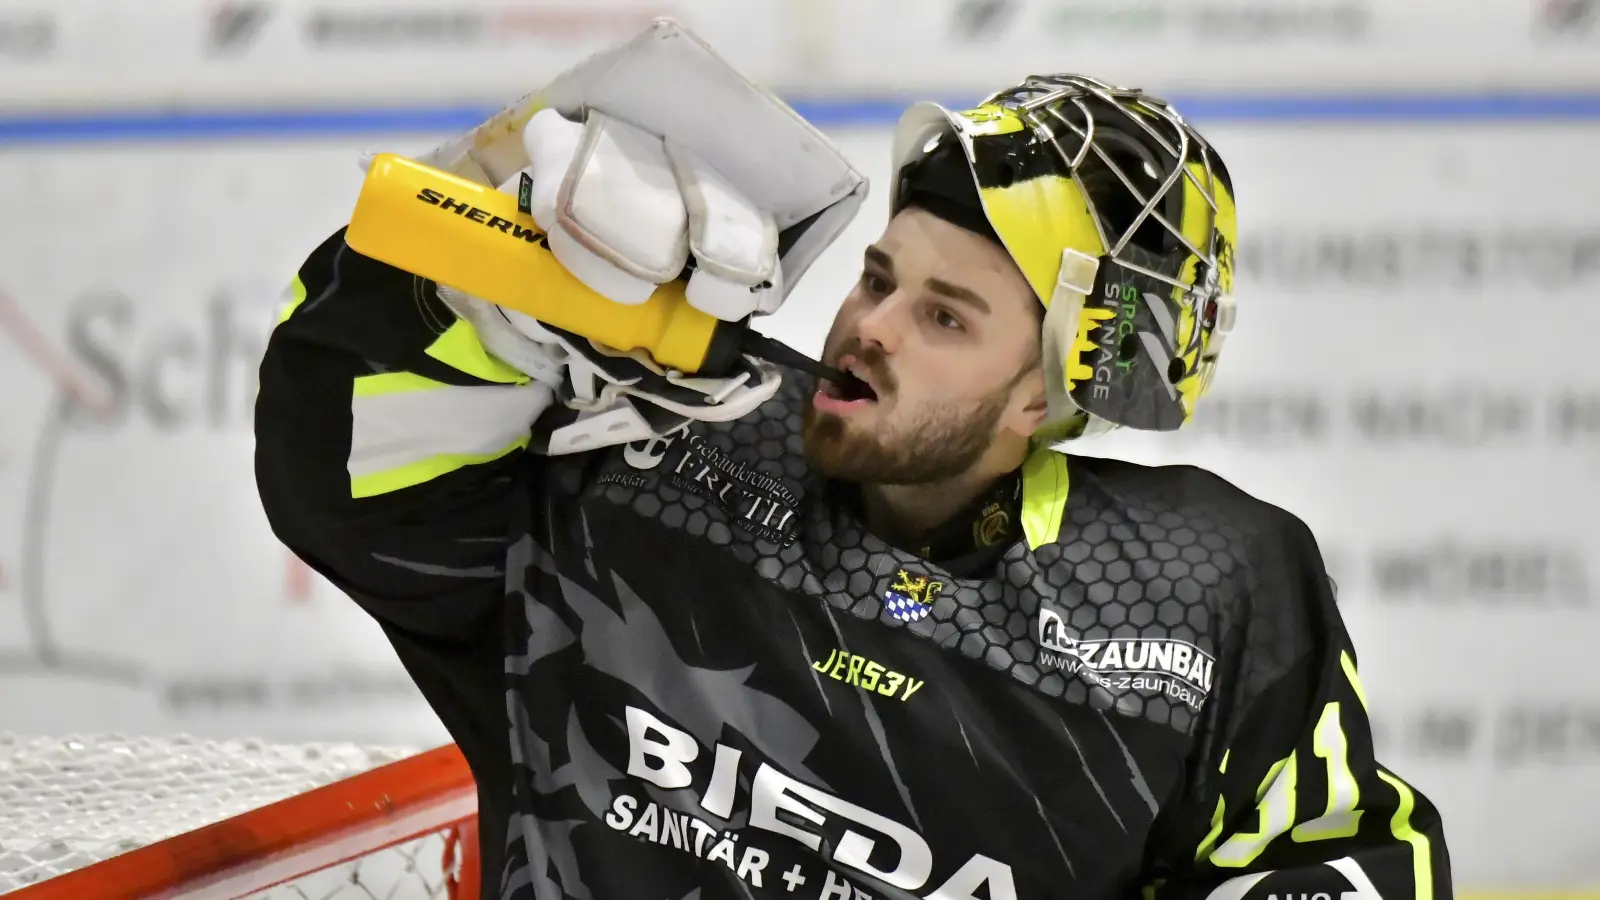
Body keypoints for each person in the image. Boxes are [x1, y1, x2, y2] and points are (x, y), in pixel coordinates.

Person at [256, 61, 1451, 900]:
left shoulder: (1205, 589)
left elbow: (1329, 867)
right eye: (878, 276)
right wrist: (474, 302)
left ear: (1045, 396)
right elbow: (342, 488)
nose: (870, 326)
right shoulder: (658, 439)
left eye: (944, 315)